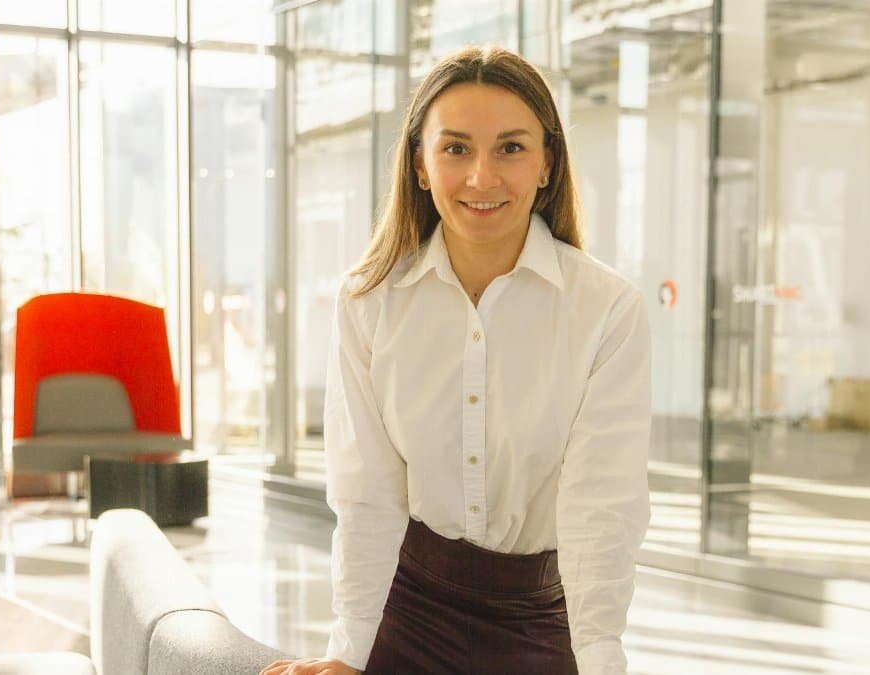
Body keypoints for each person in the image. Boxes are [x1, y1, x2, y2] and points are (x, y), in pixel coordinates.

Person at [262, 45, 651, 675]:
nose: (481, 176)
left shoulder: (608, 310)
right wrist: (348, 652)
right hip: (403, 612)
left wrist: (600, 661)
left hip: (541, 623)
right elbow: (366, 495)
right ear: (420, 164)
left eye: (511, 148)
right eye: (456, 148)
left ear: (548, 164)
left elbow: (600, 509)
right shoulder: (368, 303)